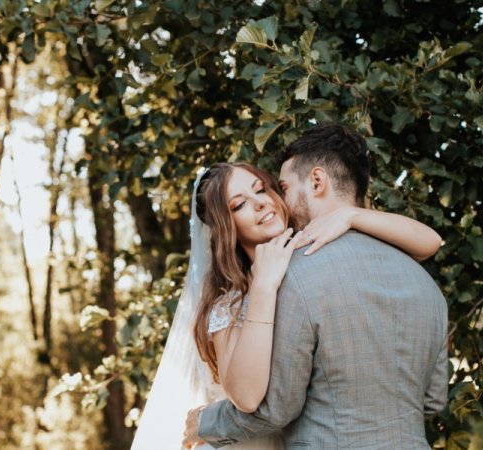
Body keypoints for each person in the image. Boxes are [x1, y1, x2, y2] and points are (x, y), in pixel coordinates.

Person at [180, 124, 449, 449]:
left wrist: (204, 422)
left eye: (266, 189)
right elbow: (433, 402)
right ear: (226, 226)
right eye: (239, 205)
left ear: (317, 182)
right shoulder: (425, 284)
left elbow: (275, 408)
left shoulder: (295, 277)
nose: (265, 202)